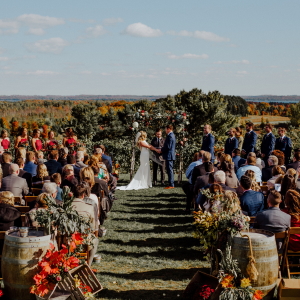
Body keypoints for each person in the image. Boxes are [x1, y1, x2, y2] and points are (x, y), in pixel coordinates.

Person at [72, 182, 99, 266]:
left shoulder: (66, 206)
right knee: (95, 240)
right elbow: (94, 228)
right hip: (83, 240)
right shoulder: (89, 207)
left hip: (68, 240)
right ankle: (89, 264)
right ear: (83, 195)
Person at [159, 125, 176, 189]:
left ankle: (171, 184)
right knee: (169, 170)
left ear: (168, 129)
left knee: (170, 170)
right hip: (169, 155)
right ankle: (170, 183)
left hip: (169, 156)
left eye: (166, 129)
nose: (165, 130)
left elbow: (168, 146)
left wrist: (161, 150)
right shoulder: (171, 135)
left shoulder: (170, 136)